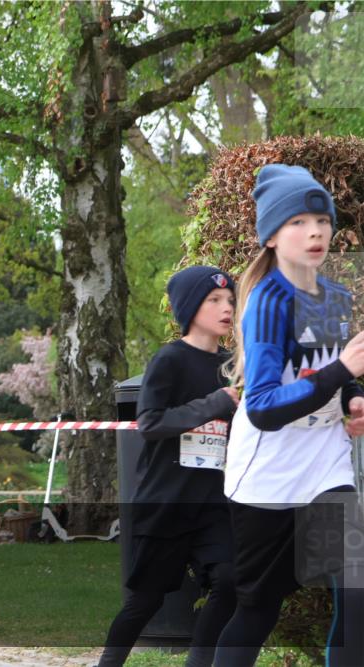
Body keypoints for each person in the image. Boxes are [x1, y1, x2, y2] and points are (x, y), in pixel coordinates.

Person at [214, 165, 364, 666]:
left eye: (321, 219)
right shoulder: (267, 304)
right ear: (273, 237)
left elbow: (333, 373)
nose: (315, 231)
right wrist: (343, 370)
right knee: (258, 610)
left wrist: (353, 397)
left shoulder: (337, 299)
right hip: (268, 477)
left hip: (326, 466)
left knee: (358, 592)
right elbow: (260, 409)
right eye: (298, 221)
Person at [95, 267, 239, 667]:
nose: (226, 308)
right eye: (214, 300)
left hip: (213, 503)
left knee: (229, 581)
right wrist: (214, 404)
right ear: (191, 307)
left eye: (229, 301)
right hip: (166, 502)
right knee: (145, 602)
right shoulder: (170, 360)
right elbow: (152, 423)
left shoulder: (232, 365)